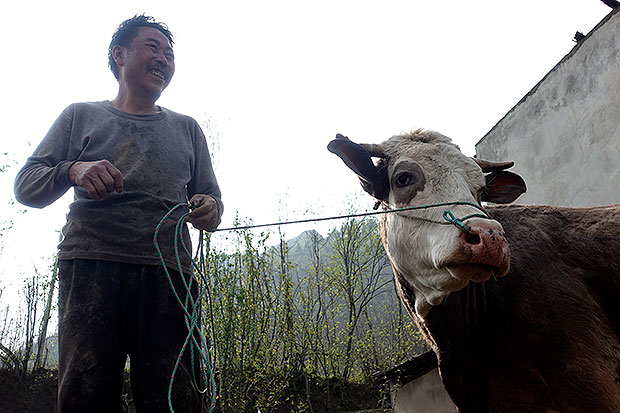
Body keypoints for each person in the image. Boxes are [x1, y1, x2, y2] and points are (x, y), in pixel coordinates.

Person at [14, 15, 223, 412]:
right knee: (85, 394)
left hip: (169, 275)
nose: (164, 58)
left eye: (170, 53)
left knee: (175, 398)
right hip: (92, 267)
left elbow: (212, 202)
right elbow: (27, 185)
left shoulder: (188, 129)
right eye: (153, 47)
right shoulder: (80, 115)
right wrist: (73, 169)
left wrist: (210, 209)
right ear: (120, 55)